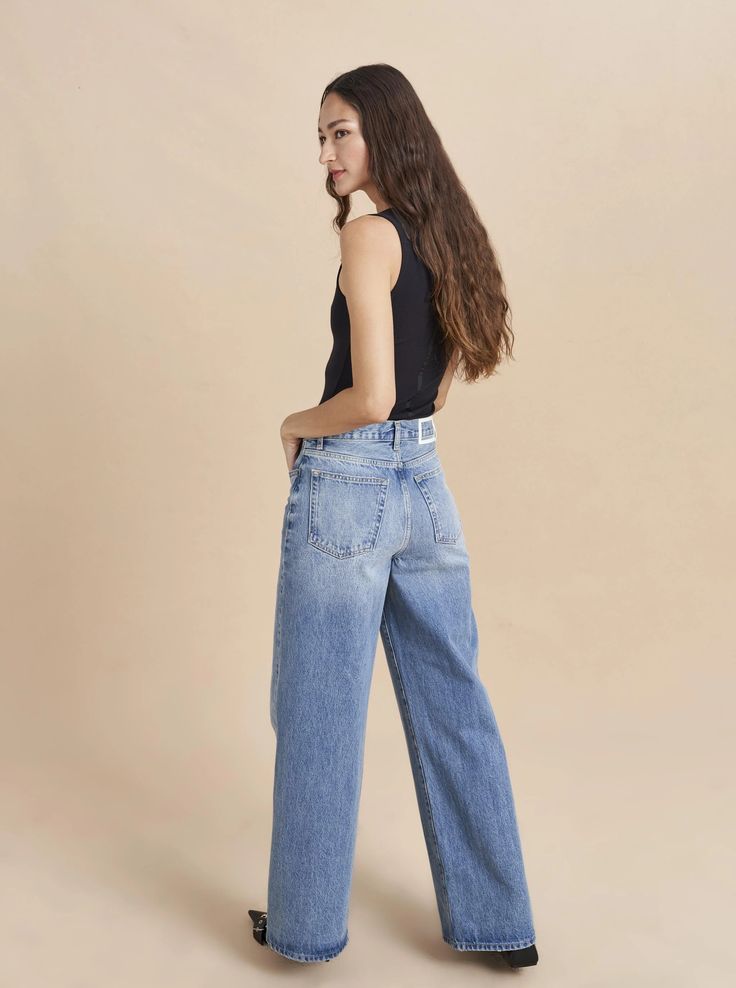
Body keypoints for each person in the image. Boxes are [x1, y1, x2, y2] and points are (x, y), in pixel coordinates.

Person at [249, 63, 538, 970]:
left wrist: (295, 423)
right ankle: (502, 924)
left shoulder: (370, 235)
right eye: (321, 135)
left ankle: (302, 930)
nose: (327, 151)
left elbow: (368, 398)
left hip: (350, 487)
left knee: (319, 711)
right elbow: (432, 388)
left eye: (342, 131)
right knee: (455, 705)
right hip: (424, 487)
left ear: (384, 133)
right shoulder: (440, 231)